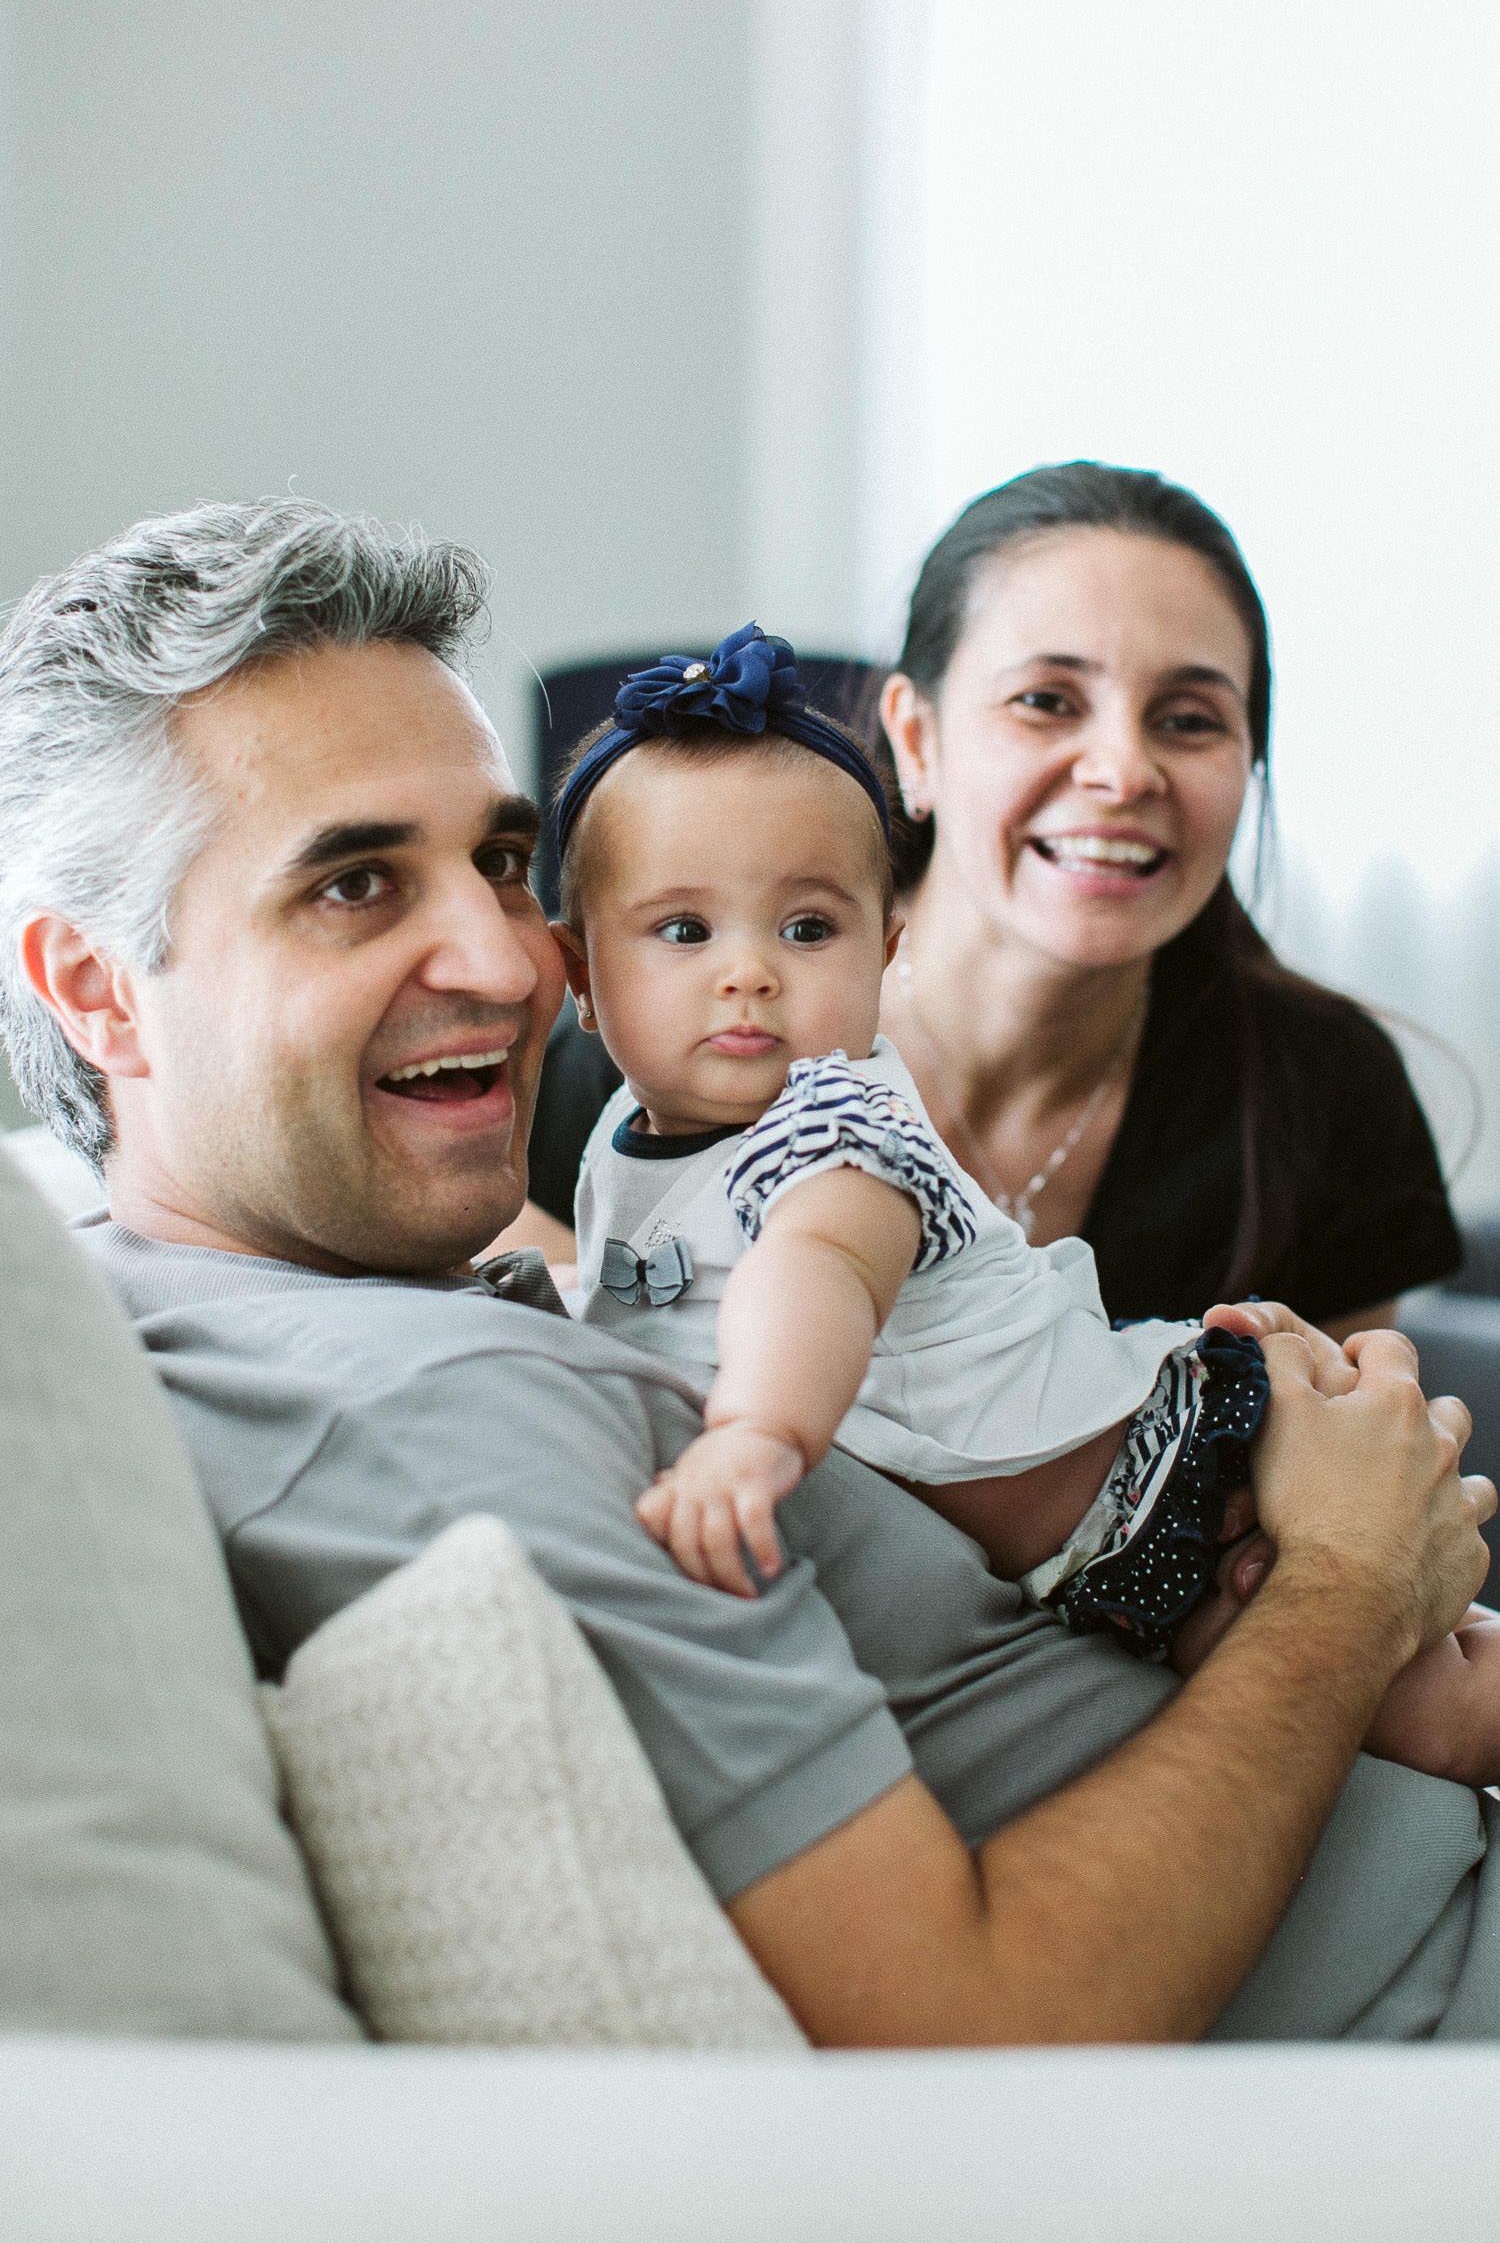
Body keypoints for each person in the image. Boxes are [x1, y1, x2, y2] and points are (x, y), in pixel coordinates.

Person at [0, 497, 1493, 2049]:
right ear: (96, 988)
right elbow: (972, 2016)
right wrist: (1342, 1587)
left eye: (503, 862)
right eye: (355, 883)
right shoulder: (433, 1414)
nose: (517, 967)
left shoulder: (267, 1280)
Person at [551, 620, 1500, 1784]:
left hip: (1174, 1482)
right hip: (1083, 1562)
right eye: (683, 931)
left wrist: (755, 1435)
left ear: (883, 950)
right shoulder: (619, 1133)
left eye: (808, 929)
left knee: (1441, 1715)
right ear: (581, 976)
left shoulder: (836, 1127)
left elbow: (819, 1274)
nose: (749, 972)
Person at [519, 463, 1462, 1340]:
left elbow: (1347, 1451)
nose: (1124, 772)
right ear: (915, 738)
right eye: (1047, 701)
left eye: (1188, 720)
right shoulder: (651, 1049)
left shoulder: (1326, 1093)